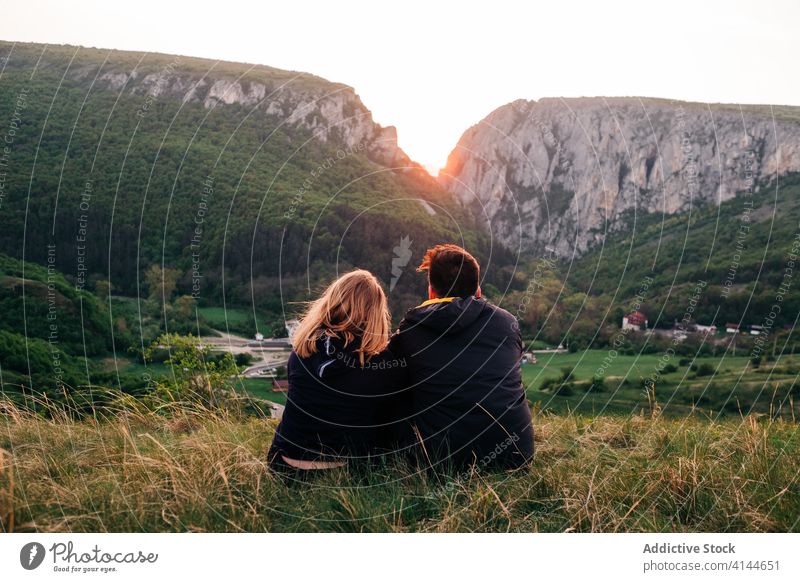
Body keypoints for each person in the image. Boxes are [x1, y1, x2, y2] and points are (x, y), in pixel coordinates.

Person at [389, 244, 534, 470]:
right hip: (515, 455)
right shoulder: (506, 323)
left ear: (431, 290)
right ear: (478, 290)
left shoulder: (411, 329)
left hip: (441, 462)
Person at [267, 269, 407, 475]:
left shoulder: (303, 350)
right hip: (344, 470)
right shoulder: (382, 365)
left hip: (283, 463)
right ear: (376, 314)